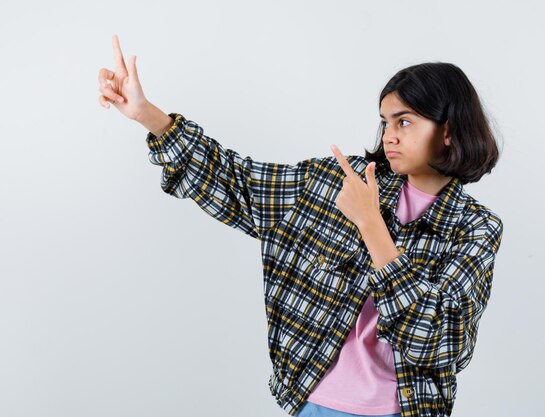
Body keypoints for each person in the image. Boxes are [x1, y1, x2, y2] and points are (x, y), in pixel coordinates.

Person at [98, 34, 504, 417]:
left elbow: (436, 342)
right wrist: (146, 114)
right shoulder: (337, 181)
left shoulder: (475, 229)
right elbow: (238, 182)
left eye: (405, 122)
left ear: (448, 130)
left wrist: (371, 226)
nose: (389, 136)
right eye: (385, 122)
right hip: (315, 403)